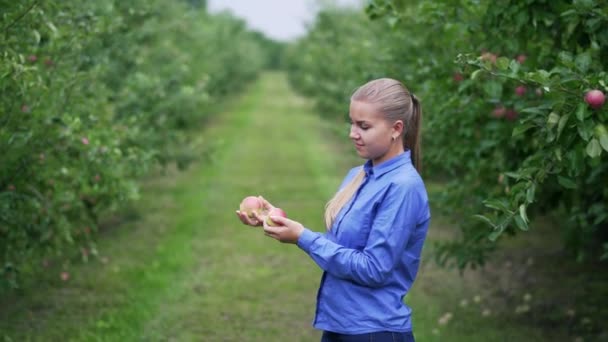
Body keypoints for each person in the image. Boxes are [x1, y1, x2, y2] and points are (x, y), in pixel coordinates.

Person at [236, 78, 430, 342]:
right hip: (342, 325)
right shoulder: (358, 175)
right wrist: (276, 222)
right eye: (352, 123)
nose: (352, 133)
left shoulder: (403, 187)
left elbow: (374, 269)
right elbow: (343, 247)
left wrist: (303, 237)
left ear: (396, 129)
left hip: (374, 331)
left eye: (364, 126)